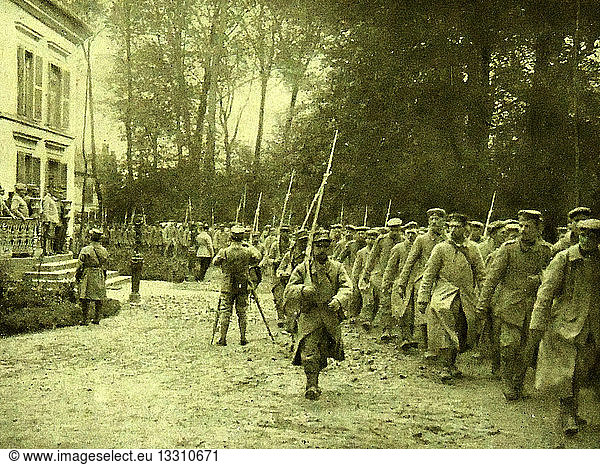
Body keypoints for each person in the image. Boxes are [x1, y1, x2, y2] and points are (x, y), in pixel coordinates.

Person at [527, 218, 600, 436]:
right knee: (568, 370)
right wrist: (537, 325)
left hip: (593, 325)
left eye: (593, 236)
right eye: (584, 235)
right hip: (564, 324)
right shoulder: (564, 258)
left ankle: (573, 411)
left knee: (583, 369)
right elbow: (545, 293)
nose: (588, 239)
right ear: (577, 235)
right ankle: (567, 413)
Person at [477, 210, 551, 400]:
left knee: (527, 349)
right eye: (521, 225)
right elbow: (491, 279)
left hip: (534, 306)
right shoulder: (508, 249)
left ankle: (518, 381)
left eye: (528, 226)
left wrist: (540, 279)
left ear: (538, 229)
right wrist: (482, 305)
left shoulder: (545, 251)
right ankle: (507, 380)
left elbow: (550, 276)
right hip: (509, 305)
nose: (523, 230)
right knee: (509, 345)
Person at [417, 213, 486, 382]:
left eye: (457, 226)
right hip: (444, 295)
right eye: (451, 226)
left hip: (466, 296)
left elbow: (481, 274)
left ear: (465, 228)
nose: (453, 229)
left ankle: (452, 363)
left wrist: (484, 297)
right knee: (445, 330)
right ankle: (445, 367)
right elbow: (429, 275)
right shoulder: (440, 248)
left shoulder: (473, 249)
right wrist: (423, 297)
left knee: (462, 329)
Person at [285, 230, 352, 400]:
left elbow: (347, 287)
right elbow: (288, 290)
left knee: (324, 350)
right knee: (308, 350)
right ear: (312, 247)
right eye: (318, 246)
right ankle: (312, 385)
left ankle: (315, 376)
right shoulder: (302, 268)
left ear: (329, 248)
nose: (322, 249)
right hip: (310, 315)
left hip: (330, 315)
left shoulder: (337, 268)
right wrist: (303, 289)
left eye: (325, 246)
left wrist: (338, 299)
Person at [398, 208, 447, 350]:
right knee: (423, 314)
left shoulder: (446, 240)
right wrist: (402, 282)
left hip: (441, 281)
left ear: (443, 222)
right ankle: (427, 346)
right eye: (431, 219)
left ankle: (440, 345)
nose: (434, 222)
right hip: (423, 279)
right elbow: (409, 262)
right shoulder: (421, 240)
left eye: (437, 219)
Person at [212, 225, 261, 346]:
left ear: (231, 237)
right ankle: (243, 337)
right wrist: (248, 245)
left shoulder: (224, 251)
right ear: (242, 237)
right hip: (243, 284)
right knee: (242, 311)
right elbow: (258, 257)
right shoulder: (247, 251)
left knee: (225, 311)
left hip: (228, 285)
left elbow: (215, 262)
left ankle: (222, 338)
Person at [359, 217, 403, 338]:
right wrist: (367, 273)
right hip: (383, 275)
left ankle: (396, 329)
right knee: (385, 302)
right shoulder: (382, 240)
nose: (394, 232)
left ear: (400, 229)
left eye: (397, 229)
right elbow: (372, 257)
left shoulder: (404, 241)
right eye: (392, 229)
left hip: (399, 276)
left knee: (397, 302)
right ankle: (386, 329)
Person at [382, 221, 419, 346]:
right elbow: (390, 267)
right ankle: (405, 338)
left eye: (413, 233)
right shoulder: (398, 248)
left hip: (418, 282)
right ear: (404, 233)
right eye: (408, 233)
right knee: (404, 310)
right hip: (402, 282)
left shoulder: (421, 247)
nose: (410, 236)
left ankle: (415, 337)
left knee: (417, 311)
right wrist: (386, 283)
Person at [75, 228, 109, 325]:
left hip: (88, 273)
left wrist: (77, 274)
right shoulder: (104, 250)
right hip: (99, 273)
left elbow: (80, 264)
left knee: (85, 297)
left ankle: (85, 319)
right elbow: (106, 264)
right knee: (99, 297)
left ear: (90, 238)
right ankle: (97, 318)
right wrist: (104, 275)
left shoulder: (86, 249)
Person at [269, 225, 291, 327]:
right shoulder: (275, 245)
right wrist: (274, 261)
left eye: (287, 232)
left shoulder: (292, 245)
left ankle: (290, 317)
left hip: (290, 275)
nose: (285, 234)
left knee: (290, 297)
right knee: (278, 298)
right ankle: (281, 317)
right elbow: (268, 259)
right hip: (277, 275)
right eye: (283, 231)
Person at [41, 187, 60, 255]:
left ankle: (50, 250)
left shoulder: (51, 199)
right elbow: (45, 211)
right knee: (48, 236)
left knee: (51, 236)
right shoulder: (47, 199)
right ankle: (47, 250)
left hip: (53, 220)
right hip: (50, 220)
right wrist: (47, 220)